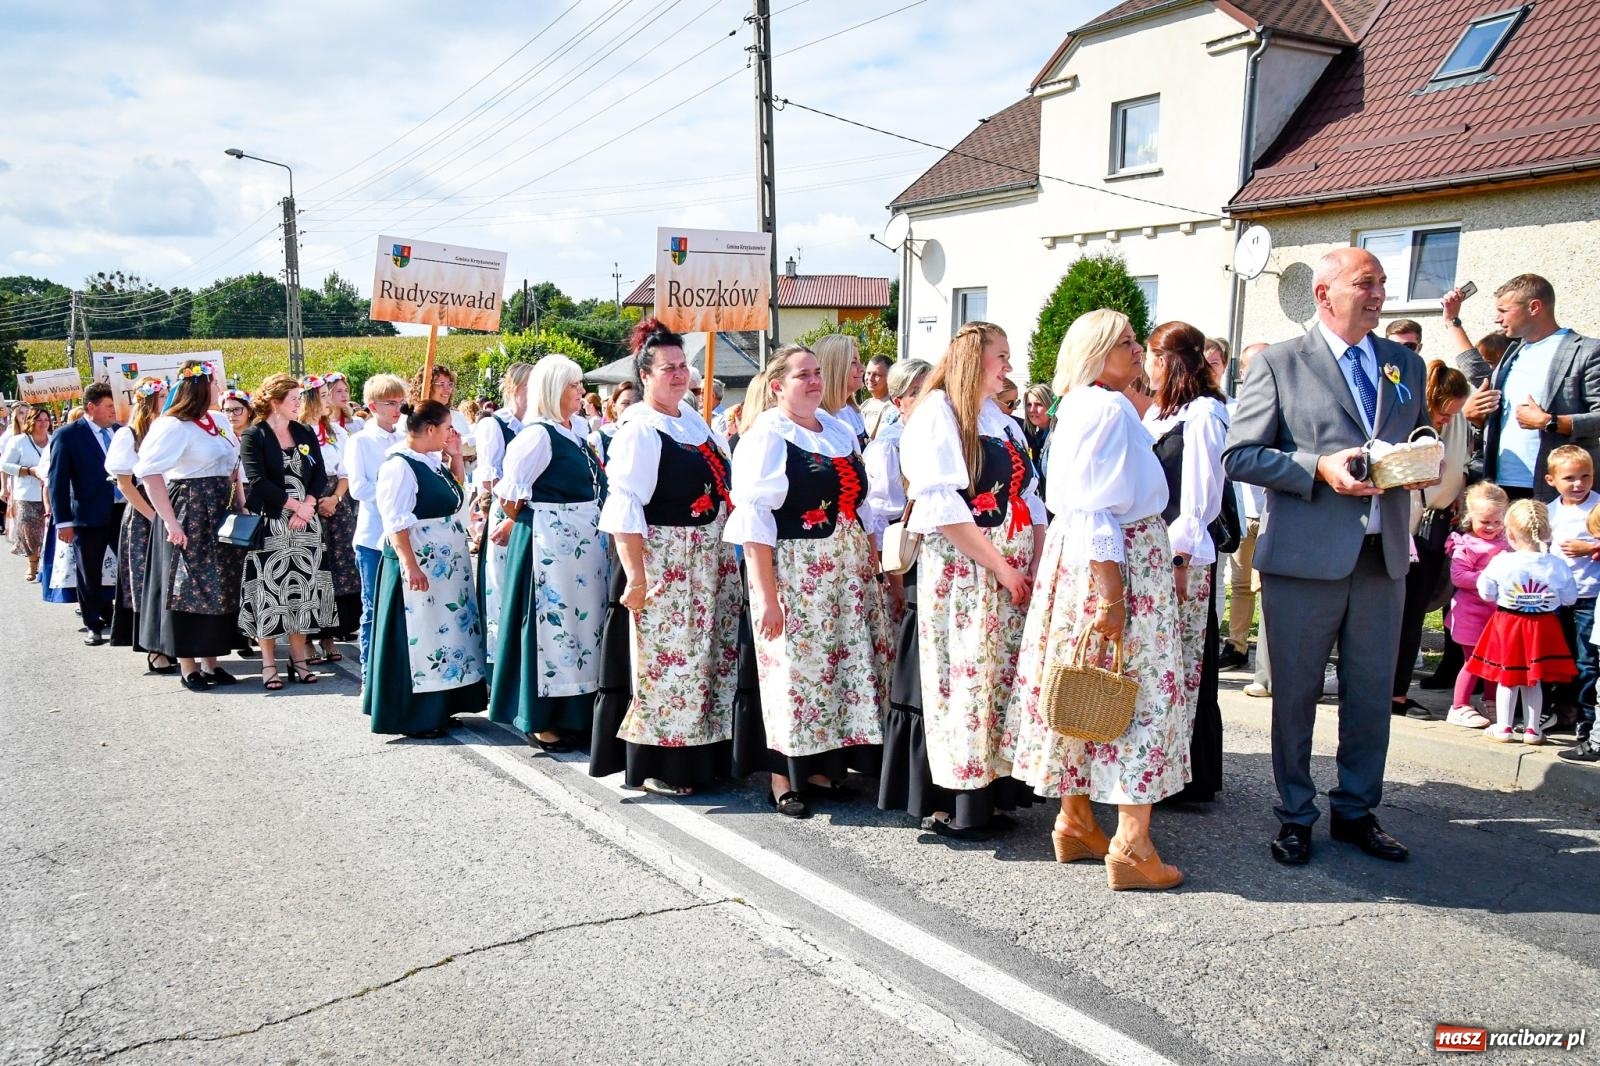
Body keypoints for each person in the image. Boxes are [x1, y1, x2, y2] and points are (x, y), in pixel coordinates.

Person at [1224, 247, 1429, 867]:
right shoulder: (1283, 363)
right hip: (1305, 560)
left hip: (1382, 555)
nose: (1379, 294)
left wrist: (1419, 459)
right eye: (1366, 283)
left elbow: (1415, 432)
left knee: (1370, 693)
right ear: (1324, 294)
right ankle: (1295, 814)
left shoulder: (1403, 363)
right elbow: (1241, 455)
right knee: (1295, 694)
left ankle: (1357, 811)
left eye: (1383, 283)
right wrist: (1319, 468)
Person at [1007, 309, 1186, 891]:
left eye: (1137, 341)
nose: (1138, 350)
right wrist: (1113, 597)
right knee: (1136, 692)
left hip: (1079, 557)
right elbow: (1100, 509)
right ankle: (1132, 845)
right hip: (1116, 560)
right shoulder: (1107, 407)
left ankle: (1077, 819)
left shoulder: (1080, 405)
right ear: (1097, 351)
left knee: (1086, 685)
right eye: (1126, 342)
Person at [892, 323, 1044, 839]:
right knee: (966, 680)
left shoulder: (998, 418)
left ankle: (996, 793)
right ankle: (961, 802)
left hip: (1007, 570)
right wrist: (1000, 565)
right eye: (1001, 356)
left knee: (999, 682)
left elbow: (1029, 497)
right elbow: (943, 509)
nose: (1008, 365)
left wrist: (1033, 562)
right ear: (975, 359)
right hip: (967, 571)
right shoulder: (938, 412)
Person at [725, 344, 890, 819]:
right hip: (797, 570)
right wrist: (766, 597)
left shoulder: (839, 431)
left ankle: (824, 766)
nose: (815, 381)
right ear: (777, 386)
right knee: (792, 670)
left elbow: (860, 506)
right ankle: (783, 777)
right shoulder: (768, 436)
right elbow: (755, 522)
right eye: (803, 375)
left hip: (846, 567)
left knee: (836, 667)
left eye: (818, 373)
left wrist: (873, 565)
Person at [590, 319, 738, 795]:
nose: (679, 374)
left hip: (707, 556)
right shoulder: (640, 429)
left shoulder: (690, 420)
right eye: (668, 368)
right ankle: (662, 764)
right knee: (669, 665)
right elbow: (625, 508)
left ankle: (704, 757)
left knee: (707, 659)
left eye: (683, 365)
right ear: (645, 376)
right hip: (666, 559)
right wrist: (635, 577)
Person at [488, 356, 607, 752]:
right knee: (551, 630)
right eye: (573, 386)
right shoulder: (537, 436)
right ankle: (542, 718)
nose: (580, 392)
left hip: (583, 546)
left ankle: (577, 711)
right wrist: (548, 517)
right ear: (554, 390)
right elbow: (509, 497)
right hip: (550, 547)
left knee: (581, 630)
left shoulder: (575, 432)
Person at [1144, 322, 1231, 804]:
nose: (1146, 365)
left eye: (1153, 355)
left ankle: (1183, 772)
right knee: (1161, 663)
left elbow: (1200, 497)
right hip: (1156, 552)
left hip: (1183, 559)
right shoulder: (1161, 411)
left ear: (1171, 361)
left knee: (1183, 663)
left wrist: (1179, 559)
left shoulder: (1202, 415)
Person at [365, 400, 484, 736]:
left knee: (443, 636)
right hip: (420, 564)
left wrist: (457, 456)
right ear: (430, 429)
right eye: (447, 428)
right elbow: (395, 521)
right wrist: (410, 565)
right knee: (420, 637)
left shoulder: (430, 462)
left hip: (444, 567)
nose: (451, 434)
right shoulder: (399, 466)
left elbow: (456, 496)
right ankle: (413, 715)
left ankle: (441, 705)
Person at [134, 361, 246, 692]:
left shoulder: (220, 420)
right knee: (188, 585)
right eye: (214, 382)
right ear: (200, 386)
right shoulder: (173, 426)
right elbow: (149, 473)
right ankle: (188, 664)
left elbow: (234, 466)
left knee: (220, 583)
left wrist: (241, 503)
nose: (218, 388)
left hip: (219, 506)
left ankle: (212, 661)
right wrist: (169, 521)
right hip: (190, 506)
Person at [1462, 274, 1600, 501]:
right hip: (1501, 487)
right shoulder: (1513, 352)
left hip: (1560, 491)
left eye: (1504, 311)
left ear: (1534, 307)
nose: (1498, 319)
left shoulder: (1587, 351)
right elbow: (1479, 377)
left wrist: (1550, 422)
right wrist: (1474, 415)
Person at [237, 374, 336, 689]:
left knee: (303, 592)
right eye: (294, 398)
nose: (299, 403)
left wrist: (308, 503)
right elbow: (257, 480)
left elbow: (319, 473)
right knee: (270, 594)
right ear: (275, 401)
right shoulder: (255, 435)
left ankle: (300, 660)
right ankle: (269, 665)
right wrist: (294, 506)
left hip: (306, 525)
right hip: (272, 522)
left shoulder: (303, 431)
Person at [1391, 363, 1472, 719]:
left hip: (1434, 524)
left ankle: (1396, 692)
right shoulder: (1411, 420)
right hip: (1405, 525)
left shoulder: (1458, 424)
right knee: (1389, 613)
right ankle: (1375, 687)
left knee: (1412, 617)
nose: (1445, 420)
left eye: (1454, 413)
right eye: (1443, 412)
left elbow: (1461, 465)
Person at [1467, 499, 1577, 743]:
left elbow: (1485, 592)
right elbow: (1570, 598)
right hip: (1543, 625)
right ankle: (1532, 730)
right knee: (1533, 679)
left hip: (1509, 623)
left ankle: (1504, 727)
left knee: (1508, 678)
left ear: (1510, 533)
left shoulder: (1502, 561)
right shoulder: (1557, 565)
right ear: (1547, 532)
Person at [103, 381, 175, 672]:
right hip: (145, 513)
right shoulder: (128, 435)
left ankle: (172, 641)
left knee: (171, 579)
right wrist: (154, 516)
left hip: (170, 506)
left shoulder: (169, 430)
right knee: (147, 580)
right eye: (160, 397)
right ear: (147, 401)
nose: (165, 401)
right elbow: (124, 484)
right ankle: (154, 648)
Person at [47, 381, 124, 646]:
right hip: (88, 516)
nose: (114, 411)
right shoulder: (68, 435)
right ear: (91, 407)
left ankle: (119, 616)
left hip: (122, 511)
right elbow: (57, 481)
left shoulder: (120, 431)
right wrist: (63, 521)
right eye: (109, 406)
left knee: (127, 565)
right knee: (88, 570)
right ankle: (93, 623)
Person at [346, 374, 408, 680]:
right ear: (373, 406)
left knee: (402, 606)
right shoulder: (360, 441)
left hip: (403, 533)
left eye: (400, 402)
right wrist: (392, 497)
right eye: (390, 403)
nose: (398, 408)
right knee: (372, 608)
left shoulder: (404, 438)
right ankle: (370, 675)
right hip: (374, 536)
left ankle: (397, 673)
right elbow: (358, 488)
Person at [472, 361, 532, 676]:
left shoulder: (540, 423)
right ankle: (499, 659)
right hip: (507, 509)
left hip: (534, 512)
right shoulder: (496, 425)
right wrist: (512, 509)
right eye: (527, 387)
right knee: (501, 585)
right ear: (513, 388)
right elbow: (490, 479)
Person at [297, 377, 359, 663]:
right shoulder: (295, 432)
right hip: (305, 503)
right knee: (311, 571)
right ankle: (307, 638)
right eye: (322, 395)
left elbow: (346, 472)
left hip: (335, 502)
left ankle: (329, 635)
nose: (327, 400)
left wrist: (335, 498)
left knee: (337, 570)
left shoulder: (335, 432)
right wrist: (311, 501)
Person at [1444, 483, 1510, 728]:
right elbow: (1459, 577)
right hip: (1471, 614)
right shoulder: (1466, 545)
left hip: (1499, 615)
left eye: (1497, 521)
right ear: (1469, 518)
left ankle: (1492, 700)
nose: (1492, 527)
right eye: (1485, 522)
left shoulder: (1508, 543)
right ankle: (1459, 706)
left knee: (1496, 660)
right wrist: (1489, 578)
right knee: (1473, 661)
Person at [1546, 445, 1600, 738]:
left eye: (1586, 476)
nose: (1578, 484)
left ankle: (1586, 716)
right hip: (1557, 597)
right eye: (1570, 478)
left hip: (1590, 594)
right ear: (1551, 480)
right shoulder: (1550, 511)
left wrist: (1591, 547)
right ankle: (1560, 708)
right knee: (1559, 655)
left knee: (1586, 658)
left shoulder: (1597, 507)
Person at [1225, 342, 1271, 676]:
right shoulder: (1233, 410)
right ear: (1241, 372)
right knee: (1240, 585)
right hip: (1244, 512)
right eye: (1251, 366)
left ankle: (1270, 657)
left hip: (1273, 514)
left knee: (1269, 586)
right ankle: (1238, 644)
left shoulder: (1278, 406)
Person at [2, 406, 51, 582]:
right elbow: (5, 465)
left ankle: (47, 565)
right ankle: (32, 565)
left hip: (50, 495)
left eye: (46, 420)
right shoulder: (19, 442)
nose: (43, 424)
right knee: (29, 532)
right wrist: (29, 471)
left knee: (48, 531)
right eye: (39, 420)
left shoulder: (54, 441)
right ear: (31, 422)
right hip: (26, 494)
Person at [815, 334, 869, 447]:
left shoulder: (854, 412)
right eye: (853, 362)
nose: (862, 369)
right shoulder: (815, 420)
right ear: (834, 368)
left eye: (859, 361)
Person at [591, 381, 638, 465]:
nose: (631, 408)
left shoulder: (650, 435)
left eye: (636, 403)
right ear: (614, 406)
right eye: (625, 403)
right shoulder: (600, 438)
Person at [860, 354, 896, 440]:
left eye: (877, 375)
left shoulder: (893, 407)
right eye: (868, 373)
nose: (870, 378)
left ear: (889, 378)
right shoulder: (865, 405)